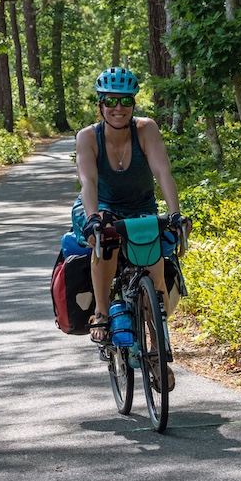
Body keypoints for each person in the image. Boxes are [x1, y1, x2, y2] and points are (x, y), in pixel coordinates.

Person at [71, 66, 188, 379]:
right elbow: (89, 182)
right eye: (111, 101)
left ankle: (156, 350)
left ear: (134, 104)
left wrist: (175, 214)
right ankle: (101, 311)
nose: (118, 108)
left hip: (140, 208)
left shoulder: (146, 129)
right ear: (101, 105)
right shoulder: (88, 138)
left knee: (156, 278)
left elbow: (163, 172)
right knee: (104, 239)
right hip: (101, 206)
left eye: (125, 101)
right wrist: (94, 218)